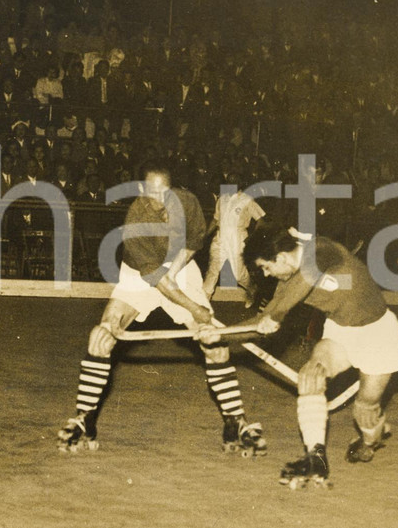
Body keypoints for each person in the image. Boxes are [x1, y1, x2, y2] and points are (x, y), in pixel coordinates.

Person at [56, 161, 267, 456]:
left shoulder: (188, 201)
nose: (158, 200)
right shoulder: (136, 219)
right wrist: (195, 308)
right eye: (150, 193)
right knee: (101, 336)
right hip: (139, 276)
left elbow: (193, 243)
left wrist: (176, 270)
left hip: (180, 270)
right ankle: (85, 419)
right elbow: (158, 282)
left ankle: (235, 421)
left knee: (214, 342)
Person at [241, 220, 398, 488]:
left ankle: (371, 440)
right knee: (311, 375)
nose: (267, 275)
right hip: (340, 333)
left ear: (281, 257)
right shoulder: (286, 285)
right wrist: (216, 333)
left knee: (365, 410)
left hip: (378, 334)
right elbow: (260, 320)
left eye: (266, 267)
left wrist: (278, 314)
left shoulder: (322, 250)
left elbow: (306, 276)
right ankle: (315, 458)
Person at [202, 174, 266, 306]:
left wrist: (252, 238)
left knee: (239, 274)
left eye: (235, 181)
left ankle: (251, 288)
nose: (231, 183)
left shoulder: (247, 199)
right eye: (229, 181)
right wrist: (204, 236)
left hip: (237, 239)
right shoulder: (222, 199)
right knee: (213, 270)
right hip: (220, 239)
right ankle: (203, 302)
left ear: (240, 183)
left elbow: (261, 220)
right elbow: (215, 219)